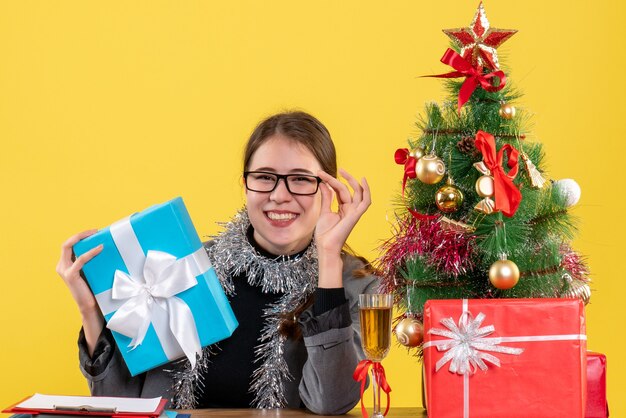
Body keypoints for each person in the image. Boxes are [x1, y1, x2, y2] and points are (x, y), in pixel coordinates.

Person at [56, 111, 378, 414]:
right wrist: (90, 312)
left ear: (329, 190)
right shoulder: (180, 265)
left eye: (301, 179)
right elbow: (122, 404)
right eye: (265, 177)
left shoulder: (359, 285)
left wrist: (329, 258)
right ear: (245, 185)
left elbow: (332, 404)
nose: (280, 195)